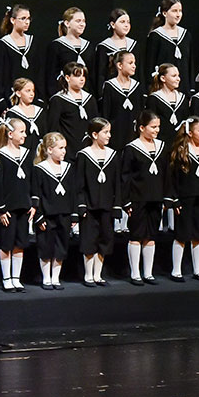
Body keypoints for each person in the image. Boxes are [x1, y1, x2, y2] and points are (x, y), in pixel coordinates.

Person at [119, 111, 168, 285]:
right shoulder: (132, 148)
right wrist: (126, 201)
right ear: (141, 128)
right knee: (136, 235)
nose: (157, 130)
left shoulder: (162, 146)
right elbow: (125, 176)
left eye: (158, 127)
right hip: (137, 198)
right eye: (153, 127)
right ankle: (135, 273)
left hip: (156, 198)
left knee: (151, 235)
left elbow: (166, 174)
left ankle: (148, 273)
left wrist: (166, 197)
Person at [166, 117, 199, 282]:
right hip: (184, 198)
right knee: (182, 234)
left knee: (198, 234)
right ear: (190, 132)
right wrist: (174, 199)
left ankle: (198, 270)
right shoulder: (181, 151)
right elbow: (172, 178)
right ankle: (176, 270)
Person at [31, 131, 79, 290]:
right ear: (50, 150)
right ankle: (46, 278)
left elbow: (73, 193)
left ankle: (55, 278)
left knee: (60, 246)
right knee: (46, 246)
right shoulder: (40, 169)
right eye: (60, 148)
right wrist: (38, 216)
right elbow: (36, 194)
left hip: (64, 214)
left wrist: (74, 215)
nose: (64, 151)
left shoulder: (68, 168)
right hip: (47, 216)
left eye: (65, 148)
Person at [0, 117, 33, 293]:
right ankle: (6, 278)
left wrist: (33, 203)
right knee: (6, 244)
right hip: (8, 209)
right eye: (21, 131)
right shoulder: (1, 155)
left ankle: (16, 278)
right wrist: (1, 209)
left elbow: (31, 180)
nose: (25, 135)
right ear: (10, 134)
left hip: (23, 206)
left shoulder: (27, 153)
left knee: (20, 244)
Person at [76, 117, 119, 287]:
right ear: (95, 134)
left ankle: (98, 274)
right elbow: (79, 184)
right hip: (90, 206)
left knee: (105, 239)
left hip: (106, 205)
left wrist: (117, 205)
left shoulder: (112, 155)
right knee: (89, 240)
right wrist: (81, 205)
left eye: (110, 132)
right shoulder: (84, 155)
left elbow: (116, 183)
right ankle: (88, 275)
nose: (109, 135)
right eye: (105, 132)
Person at [45, 62, 99, 153]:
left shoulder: (90, 99)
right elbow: (52, 128)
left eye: (83, 76)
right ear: (67, 78)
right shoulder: (58, 100)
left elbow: (95, 125)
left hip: (87, 149)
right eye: (77, 76)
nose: (82, 79)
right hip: (67, 151)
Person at [0, 5, 40, 106]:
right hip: (11, 98)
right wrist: (1, 103)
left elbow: (38, 71)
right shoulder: (3, 44)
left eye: (28, 18)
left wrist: (40, 98)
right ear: (13, 20)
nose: (27, 22)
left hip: (32, 98)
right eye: (23, 18)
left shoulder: (33, 41)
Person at [100, 50, 144, 158]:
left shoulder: (137, 86)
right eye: (130, 63)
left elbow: (141, 111)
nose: (134, 66)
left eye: (134, 63)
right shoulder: (109, 86)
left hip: (133, 133)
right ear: (119, 65)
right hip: (116, 135)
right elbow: (105, 113)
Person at [43, 7, 91, 95]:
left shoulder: (88, 46)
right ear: (67, 23)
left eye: (84, 21)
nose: (82, 24)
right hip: (63, 94)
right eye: (78, 21)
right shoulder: (56, 45)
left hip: (84, 94)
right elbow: (50, 75)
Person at [94, 9, 137, 97]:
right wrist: (101, 95)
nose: (126, 25)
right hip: (111, 92)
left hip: (131, 90)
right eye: (122, 22)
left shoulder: (134, 45)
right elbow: (100, 74)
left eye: (128, 22)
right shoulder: (104, 47)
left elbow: (139, 72)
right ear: (113, 24)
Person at [144, 0, 192, 70]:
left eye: (180, 11)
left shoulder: (186, 35)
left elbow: (190, 64)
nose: (178, 15)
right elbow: (150, 64)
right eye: (174, 11)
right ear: (164, 13)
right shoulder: (156, 36)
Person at [1, 77, 46, 157]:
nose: (32, 94)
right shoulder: (13, 113)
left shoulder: (40, 111)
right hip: (22, 154)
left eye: (33, 91)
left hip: (40, 153)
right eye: (28, 91)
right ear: (18, 93)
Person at [145, 63, 187, 131]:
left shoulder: (183, 98)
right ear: (163, 78)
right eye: (174, 76)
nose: (178, 79)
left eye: (178, 76)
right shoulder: (154, 99)